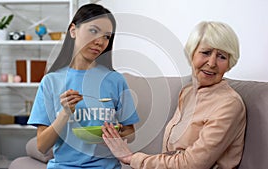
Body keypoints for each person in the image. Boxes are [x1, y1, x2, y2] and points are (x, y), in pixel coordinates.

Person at [102, 21, 246, 169]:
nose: (212, 63)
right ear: (192, 54)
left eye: (222, 56)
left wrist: (132, 158)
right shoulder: (187, 93)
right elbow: (171, 154)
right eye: (206, 52)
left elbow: (192, 164)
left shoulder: (229, 104)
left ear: (229, 63)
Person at [28, 3, 139, 169]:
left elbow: (131, 133)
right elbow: (42, 146)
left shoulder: (115, 80)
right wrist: (64, 114)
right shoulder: (51, 81)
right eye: (93, 31)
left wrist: (116, 133)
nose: (100, 42)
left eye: (107, 36)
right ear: (73, 30)